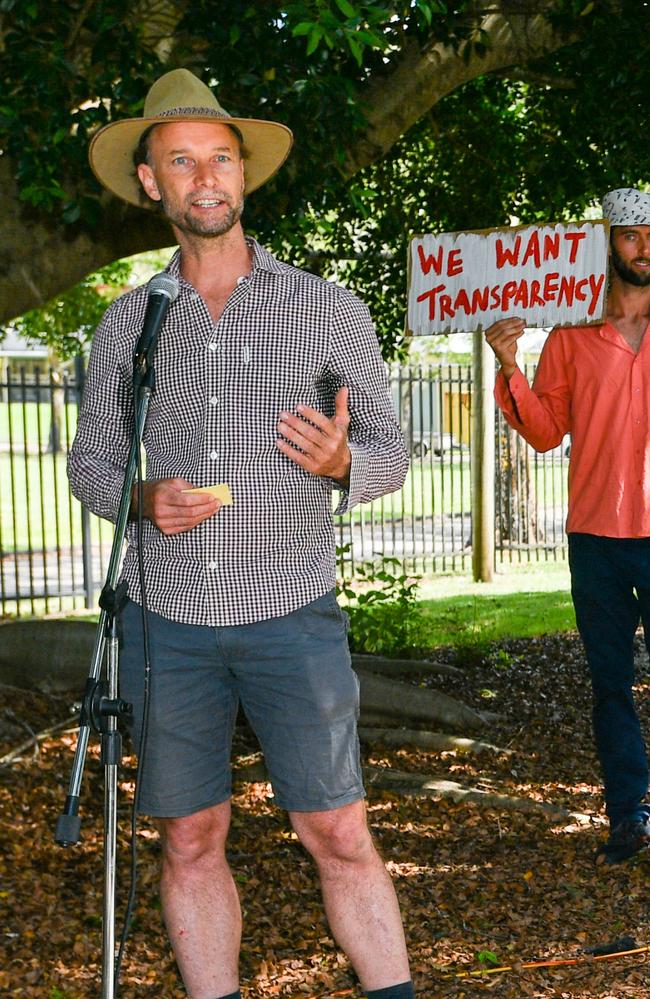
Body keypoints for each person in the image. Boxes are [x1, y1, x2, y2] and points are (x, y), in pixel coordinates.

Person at [69, 69, 414, 998]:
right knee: (189, 836)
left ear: (244, 175)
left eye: (219, 158)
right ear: (152, 183)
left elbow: (391, 445)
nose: (204, 176)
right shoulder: (124, 327)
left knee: (338, 829)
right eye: (181, 161)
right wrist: (143, 500)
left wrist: (345, 464)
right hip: (166, 622)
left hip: (290, 611)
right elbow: (91, 466)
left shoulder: (325, 308)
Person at [485, 187, 650, 866]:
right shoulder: (572, 334)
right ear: (605, 243)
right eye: (633, 235)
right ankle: (629, 817)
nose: (646, 246)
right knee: (609, 685)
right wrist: (509, 365)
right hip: (595, 540)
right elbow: (547, 432)